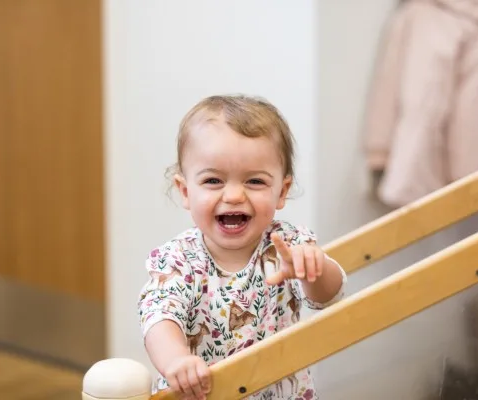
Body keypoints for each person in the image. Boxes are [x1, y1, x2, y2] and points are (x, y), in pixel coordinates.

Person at [137, 94, 347, 400]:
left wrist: (313, 270)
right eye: (213, 181)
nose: (234, 196)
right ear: (185, 191)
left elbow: (329, 296)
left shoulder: (286, 246)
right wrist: (176, 361)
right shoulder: (178, 260)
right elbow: (159, 318)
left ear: (282, 191)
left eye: (255, 182)